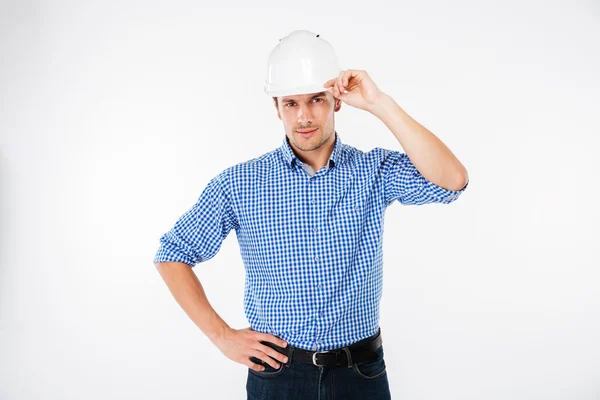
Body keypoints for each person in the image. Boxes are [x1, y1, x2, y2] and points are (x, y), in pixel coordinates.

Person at [153, 30, 469, 399]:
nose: (304, 117)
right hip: (278, 376)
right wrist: (222, 336)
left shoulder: (374, 171)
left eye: (316, 100)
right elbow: (173, 254)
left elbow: (453, 181)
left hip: (359, 374)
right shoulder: (239, 183)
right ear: (277, 107)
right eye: (291, 103)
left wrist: (380, 103)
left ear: (336, 101)